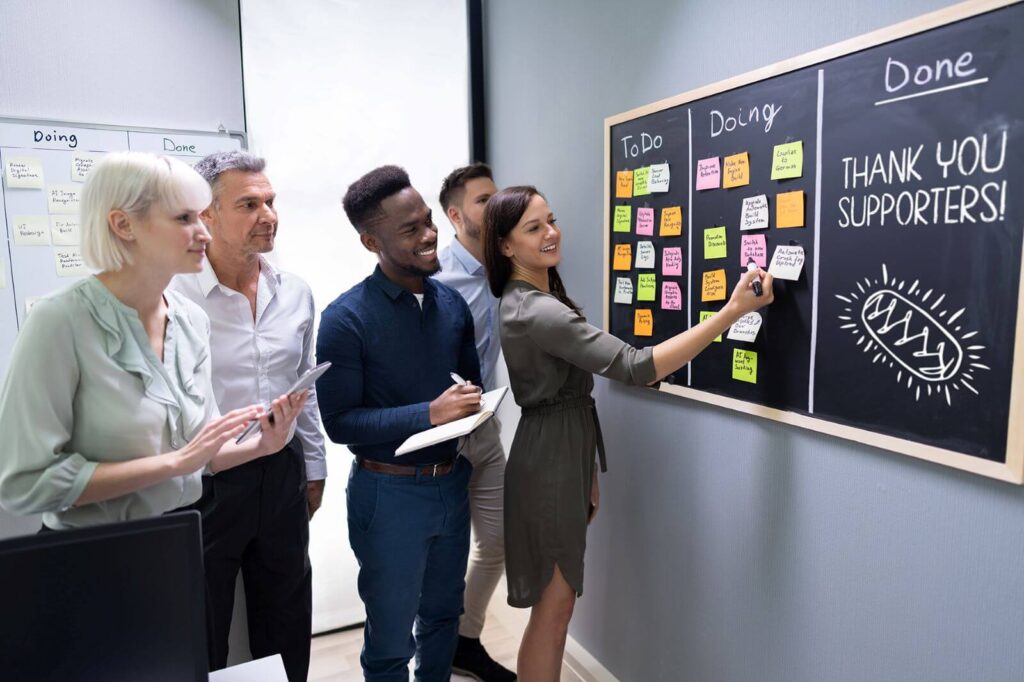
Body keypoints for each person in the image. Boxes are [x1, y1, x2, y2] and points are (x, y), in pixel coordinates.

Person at [483, 186, 774, 679]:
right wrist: (729, 314)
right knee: (554, 616)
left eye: (551, 220)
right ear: (505, 245)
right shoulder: (538, 309)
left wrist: (587, 471)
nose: (551, 233)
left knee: (556, 610)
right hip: (550, 462)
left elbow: (570, 398)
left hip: (557, 454)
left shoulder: (530, 296)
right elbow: (636, 367)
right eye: (534, 228)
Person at [0, 152, 305, 531]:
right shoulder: (59, 321)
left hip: (179, 537)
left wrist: (265, 444)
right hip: (90, 551)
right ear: (123, 224)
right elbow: (23, 485)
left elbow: (202, 454)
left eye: (201, 215)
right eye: (183, 218)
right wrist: (175, 464)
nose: (204, 233)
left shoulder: (190, 319)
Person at [316, 165, 482, 680]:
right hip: (387, 496)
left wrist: (476, 405)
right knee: (389, 641)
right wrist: (429, 413)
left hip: (451, 485)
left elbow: (468, 388)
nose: (430, 235)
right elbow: (341, 423)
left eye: (428, 221)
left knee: (441, 620)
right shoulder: (345, 319)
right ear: (372, 242)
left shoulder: (451, 304)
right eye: (411, 230)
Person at [169, 151, 326, 682]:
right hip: (206, 484)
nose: (269, 215)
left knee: (285, 616)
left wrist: (315, 466)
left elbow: (304, 384)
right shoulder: (172, 298)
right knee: (201, 625)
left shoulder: (296, 292)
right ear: (206, 215)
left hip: (281, 473)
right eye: (249, 204)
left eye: (271, 201)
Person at [435, 163, 516, 681]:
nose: (494, 207)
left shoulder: (506, 268)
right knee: (439, 558)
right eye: (483, 200)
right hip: (440, 437)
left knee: (499, 541)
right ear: (455, 214)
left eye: (496, 197)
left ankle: (465, 640)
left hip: (486, 427)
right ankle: (434, 652)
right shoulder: (434, 279)